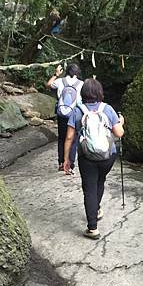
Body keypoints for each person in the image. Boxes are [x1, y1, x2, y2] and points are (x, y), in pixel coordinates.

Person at [63, 78, 124, 239]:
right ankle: (96, 209)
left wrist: (67, 159)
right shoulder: (108, 109)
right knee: (100, 181)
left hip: (87, 157)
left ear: (83, 93)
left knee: (89, 188)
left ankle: (92, 228)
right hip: (107, 156)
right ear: (99, 93)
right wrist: (121, 121)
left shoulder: (78, 111)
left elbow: (69, 137)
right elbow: (119, 133)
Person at [46, 62, 83, 174]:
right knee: (73, 139)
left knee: (62, 138)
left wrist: (56, 74)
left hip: (62, 113)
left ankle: (62, 163)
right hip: (74, 114)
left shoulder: (60, 81)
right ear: (78, 73)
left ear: (67, 71)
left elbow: (48, 84)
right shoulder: (81, 83)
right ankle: (70, 165)